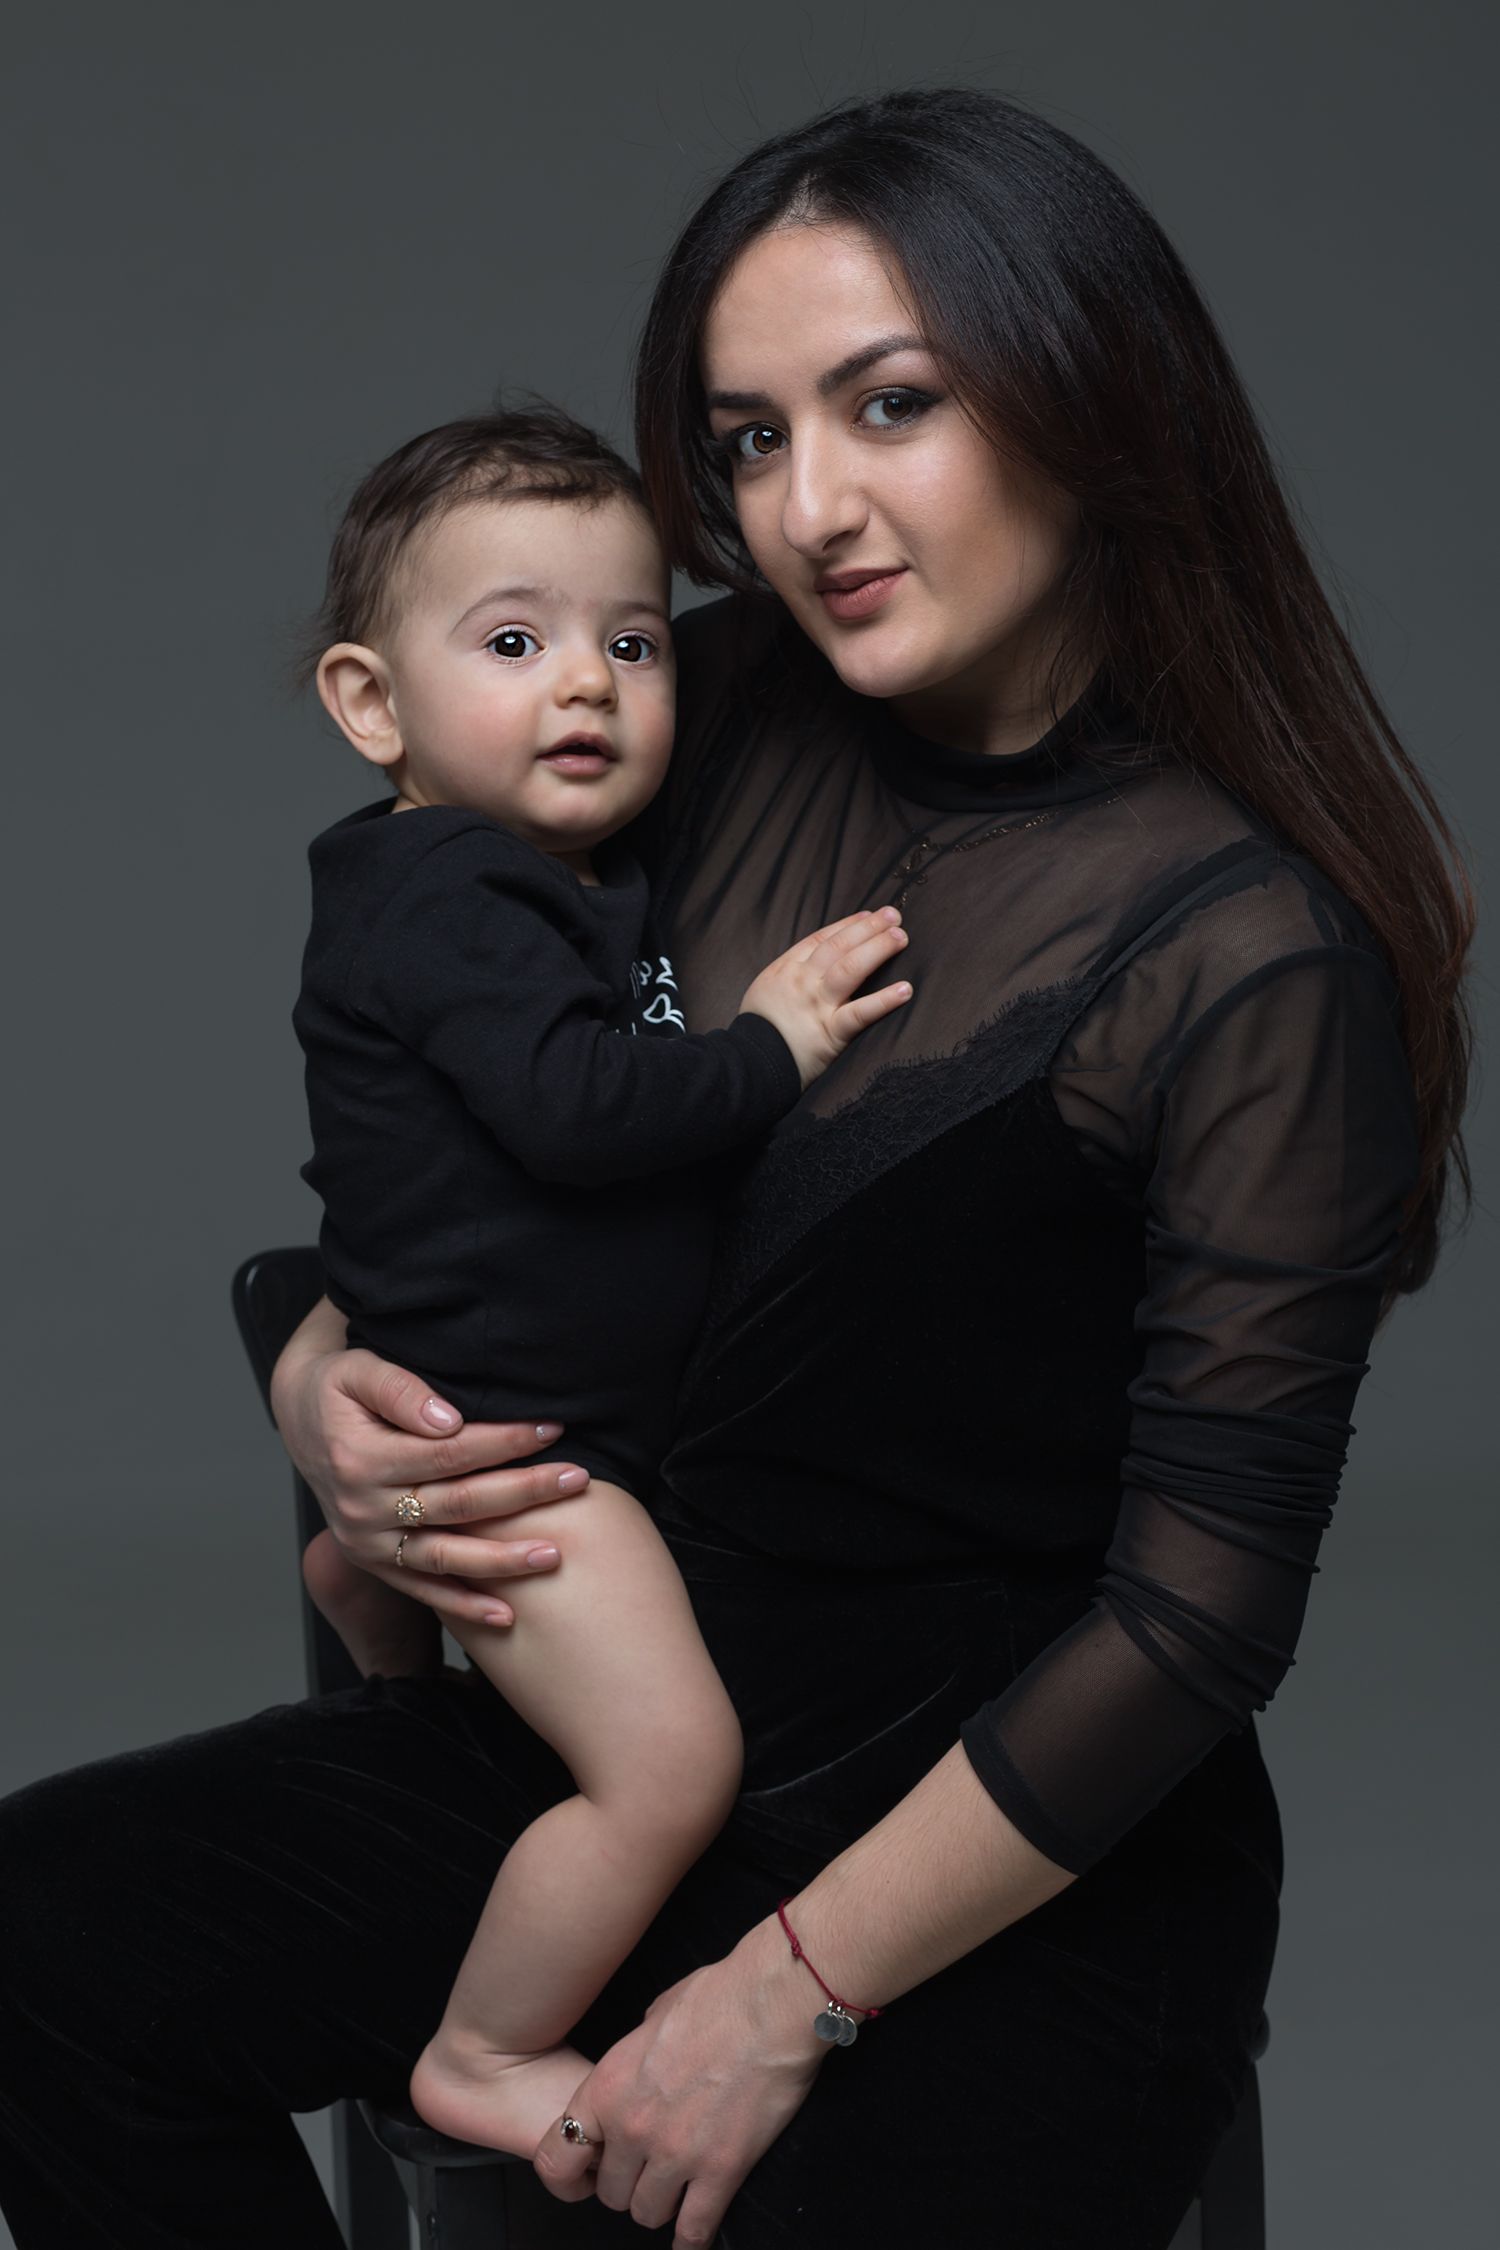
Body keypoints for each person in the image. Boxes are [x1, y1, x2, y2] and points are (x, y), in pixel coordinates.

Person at [0, 85, 1475, 2250]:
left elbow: (1194, 1626)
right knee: (37, 1950)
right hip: (634, 1736)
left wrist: (787, 1995)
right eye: (750, 438)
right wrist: (322, 1381)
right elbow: (445, 1141)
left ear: (1090, 393)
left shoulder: (1248, 957)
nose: (806, 507)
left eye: (891, 405)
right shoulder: (679, 711)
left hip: (993, 1867)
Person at [288, 400, 912, 2157]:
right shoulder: (451, 892)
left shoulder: (544, 874)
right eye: (513, 642)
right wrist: (772, 1046)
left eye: (633, 644)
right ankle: (485, 2049)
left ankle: (367, 1591)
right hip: (530, 1442)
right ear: (372, 706)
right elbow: (574, 1111)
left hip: (509, 1385)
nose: (586, 682)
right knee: (669, 1766)